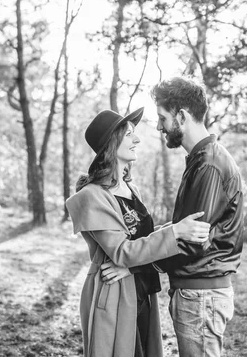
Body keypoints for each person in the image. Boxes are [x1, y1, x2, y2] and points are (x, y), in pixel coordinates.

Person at [66, 107, 211, 357]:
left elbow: (143, 239)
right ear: (111, 143)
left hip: (141, 288)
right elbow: (122, 251)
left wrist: (177, 228)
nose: (137, 139)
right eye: (129, 134)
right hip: (114, 295)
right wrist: (175, 232)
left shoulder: (131, 189)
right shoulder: (93, 197)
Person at [151, 77, 245, 357]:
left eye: (162, 118)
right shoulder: (201, 160)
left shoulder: (208, 166)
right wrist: (158, 235)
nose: (159, 126)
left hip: (200, 296)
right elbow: (184, 230)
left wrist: (138, 259)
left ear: (181, 116)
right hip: (197, 294)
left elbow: (191, 242)